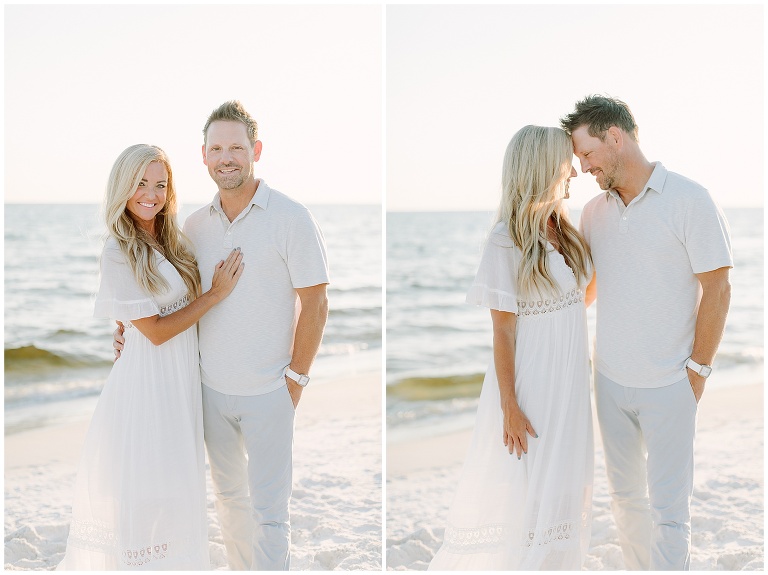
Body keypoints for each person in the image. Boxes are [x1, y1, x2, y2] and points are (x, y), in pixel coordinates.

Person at [114, 101, 330, 570]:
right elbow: (166, 293)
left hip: (270, 388)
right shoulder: (193, 226)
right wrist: (125, 325)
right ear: (204, 156)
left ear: (255, 150)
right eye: (217, 148)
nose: (226, 156)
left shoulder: (291, 216)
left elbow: (316, 303)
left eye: (236, 146)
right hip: (208, 390)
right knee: (230, 502)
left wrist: (296, 378)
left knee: (271, 513)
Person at [560, 95, 733, 570]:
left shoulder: (689, 198)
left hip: (671, 382)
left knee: (670, 512)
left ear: (615, 137)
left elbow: (717, 287)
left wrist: (697, 371)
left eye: (588, 153)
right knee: (625, 501)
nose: (584, 166)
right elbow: (589, 290)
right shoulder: (594, 212)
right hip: (610, 382)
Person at [59, 144, 244, 570]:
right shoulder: (117, 249)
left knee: (176, 492)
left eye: (160, 184)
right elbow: (157, 332)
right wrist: (217, 294)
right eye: (141, 183)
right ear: (122, 186)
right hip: (146, 384)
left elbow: (155, 312)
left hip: (179, 381)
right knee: (148, 496)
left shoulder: (171, 239)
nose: (151, 193)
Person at [429, 125, 595, 570]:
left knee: (568, 490)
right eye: (566, 164)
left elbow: (578, 300)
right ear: (542, 168)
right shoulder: (506, 240)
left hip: (572, 384)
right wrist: (510, 405)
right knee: (532, 497)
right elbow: (502, 332)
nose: (574, 173)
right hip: (533, 387)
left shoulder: (567, 232)